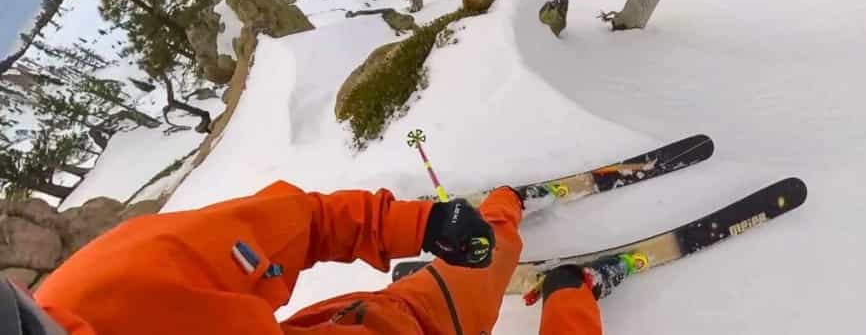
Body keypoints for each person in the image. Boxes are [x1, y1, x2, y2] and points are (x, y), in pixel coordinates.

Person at [3, 181, 629, 335]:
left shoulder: (114, 284)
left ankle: (504, 209)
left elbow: (296, 223)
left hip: (390, 327)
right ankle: (569, 292)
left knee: (485, 256)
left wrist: (424, 221)